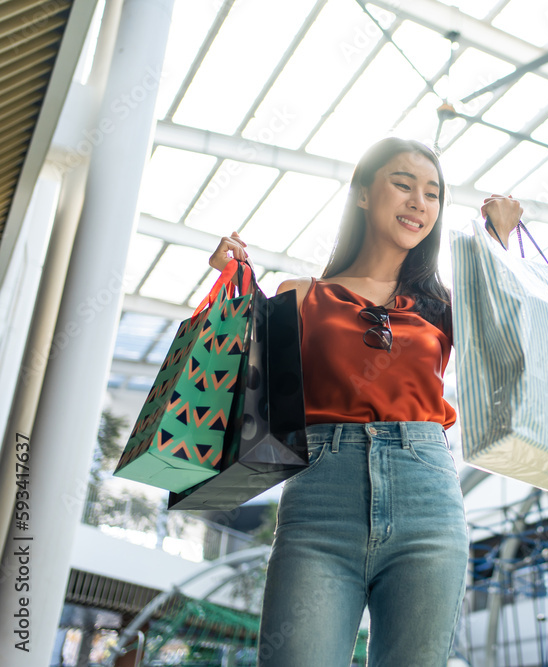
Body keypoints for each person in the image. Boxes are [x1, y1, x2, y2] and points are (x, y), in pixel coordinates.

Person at [208, 137, 523, 666]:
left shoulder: (445, 304)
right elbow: (235, 385)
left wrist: (498, 242)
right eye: (402, 184)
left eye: (432, 193)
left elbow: (506, 345)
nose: (419, 202)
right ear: (361, 194)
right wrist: (229, 282)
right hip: (319, 503)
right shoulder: (299, 294)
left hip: (427, 497)